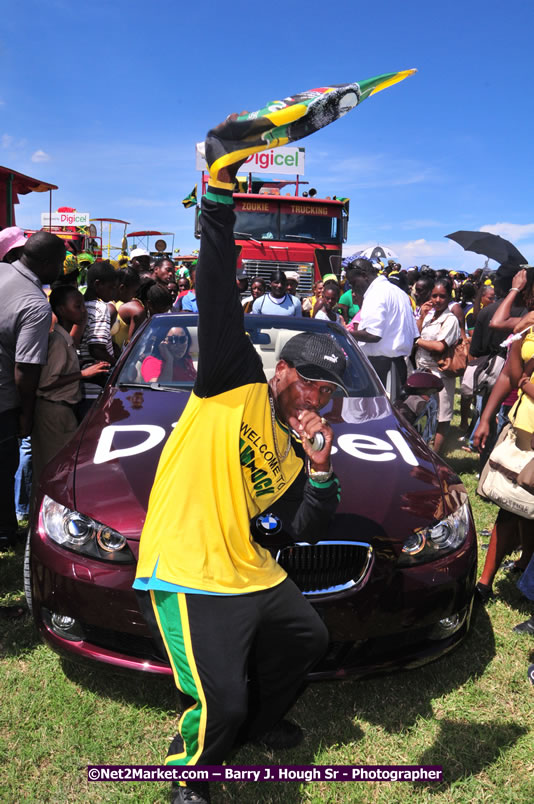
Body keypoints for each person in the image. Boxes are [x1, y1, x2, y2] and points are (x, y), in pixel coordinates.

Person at [133, 125, 343, 804]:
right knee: (217, 700)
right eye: (311, 386)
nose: (317, 402)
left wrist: (320, 471)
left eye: (328, 395)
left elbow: (299, 530)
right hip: (190, 566)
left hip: (248, 569)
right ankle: (191, 779)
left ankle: (259, 723)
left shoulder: (295, 450)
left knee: (307, 637)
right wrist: (219, 195)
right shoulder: (235, 379)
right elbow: (218, 287)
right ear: (283, 373)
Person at [0, 231, 65, 550]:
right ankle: (4, 533)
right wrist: (26, 414)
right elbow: (25, 369)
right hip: (3, 400)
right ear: (47, 263)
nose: (62, 269)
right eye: (61, 263)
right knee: (3, 468)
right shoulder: (35, 304)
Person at [32, 286, 109, 485]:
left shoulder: (64, 337)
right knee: (53, 474)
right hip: (53, 412)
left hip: (63, 410)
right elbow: (46, 383)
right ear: (61, 309)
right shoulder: (58, 341)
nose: (83, 311)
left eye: (83, 305)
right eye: (77, 306)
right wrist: (83, 374)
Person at [347, 259, 419, 395]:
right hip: (399, 365)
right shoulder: (400, 293)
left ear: (364, 276)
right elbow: (415, 335)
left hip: (382, 367)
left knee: (381, 407)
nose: (353, 288)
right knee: (394, 405)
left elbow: (373, 335)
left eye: (353, 282)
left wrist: (345, 333)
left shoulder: (376, 294)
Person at [415, 279, 461, 453]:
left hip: (439, 373)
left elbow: (440, 346)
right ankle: (422, 449)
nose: (437, 300)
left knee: (442, 414)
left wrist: (417, 341)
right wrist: (421, 317)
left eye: (442, 296)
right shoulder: (428, 316)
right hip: (422, 369)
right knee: (421, 411)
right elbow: (416, 332)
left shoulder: (450, 320)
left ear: (449, 297)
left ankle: (437, 455)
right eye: (434, 296)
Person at [78, 260, 119, 418]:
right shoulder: (100, 308)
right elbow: (96, 348)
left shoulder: (80, 304)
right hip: (95, 388)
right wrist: (118, 365)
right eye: (111, 287)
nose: (113, 292)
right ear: (97, 284)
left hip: (81, 386)